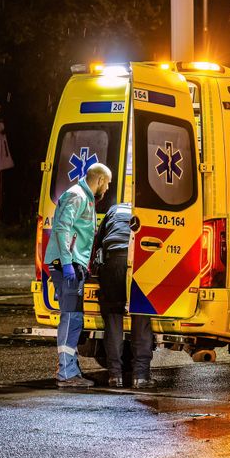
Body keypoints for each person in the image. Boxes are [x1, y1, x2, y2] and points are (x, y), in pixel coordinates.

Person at [44, 163, 112, 388]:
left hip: (73, 263)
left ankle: (68, 367)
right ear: (100, 180)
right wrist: (67, 264)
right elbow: (62, 229)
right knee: (71, 317)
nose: (108, 187)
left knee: (74, 317)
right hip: (67, 264)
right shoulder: (77, 195)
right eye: (108, 182)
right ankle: (66, 373)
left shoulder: (86, 197)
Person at [93, 202, 156, 389]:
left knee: (113, 318)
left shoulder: (114, 208)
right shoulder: (148, 209)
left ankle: (115, 376)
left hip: (113, 260)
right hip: (138, 259)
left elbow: (98, 241)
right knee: (141, 316)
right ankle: (141, 376)